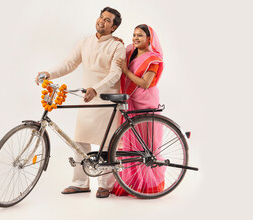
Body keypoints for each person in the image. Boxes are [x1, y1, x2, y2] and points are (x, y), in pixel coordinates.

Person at [35, 7, 125, 198]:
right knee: (80, 140)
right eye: (101, 17)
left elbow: (115, 73)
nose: (102, 21)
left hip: (106, 98)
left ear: (114, 27)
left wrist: (96, 89)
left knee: (107, 143)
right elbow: (69, 63)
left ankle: (105, 185)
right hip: (87, 97)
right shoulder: (85, 42)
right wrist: (49, 73)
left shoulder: (117, 46)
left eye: (108, 20)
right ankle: (80, 182)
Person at [111, 24, 165, 196]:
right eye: (134, 35)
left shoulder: (153, 59)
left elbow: (145, 83)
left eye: (140, 35)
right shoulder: (130, 51)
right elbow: (121, 49)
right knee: (129, 144)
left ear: (150, 39)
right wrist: (116, 42)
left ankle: (147, 185)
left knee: (147, 145)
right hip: (130, 101)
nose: (135, 38)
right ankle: (131, 182)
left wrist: (126, 71)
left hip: (145, 104)